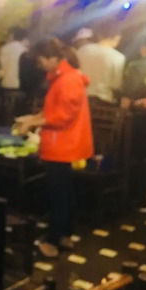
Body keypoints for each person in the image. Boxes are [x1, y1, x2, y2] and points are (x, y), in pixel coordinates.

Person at [16, 38, 93, 258]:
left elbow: (63, 116)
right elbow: (55, 110)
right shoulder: (64, 77)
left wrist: (32, 123)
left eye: (41, 61)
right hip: (64, 143)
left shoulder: (67, 80)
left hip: (62, 144)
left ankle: (53, 240)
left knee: (58, 193)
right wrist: (33, 118)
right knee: (65, 191)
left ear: (52, 58)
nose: (40, 66)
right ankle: (64, 235)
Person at [76, 25, 125, 105]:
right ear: (116, 37)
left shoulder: (82, 50)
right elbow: (116, 84)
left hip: (80, 97)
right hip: (103, 101)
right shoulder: (119, 57)